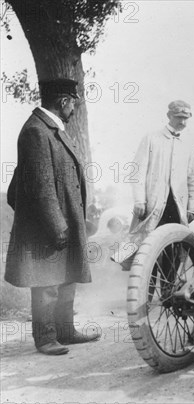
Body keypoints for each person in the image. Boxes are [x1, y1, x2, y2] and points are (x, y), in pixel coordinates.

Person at [5, 78, 100, 355]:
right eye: (73, 104)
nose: (74, 110)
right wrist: (56, 225)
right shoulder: (36, 131)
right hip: (51, 222)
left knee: (66, 275)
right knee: (46, 281)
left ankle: (66, 331)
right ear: (63, 102)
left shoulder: (51, 129)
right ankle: (46, 338)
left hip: (64, 217)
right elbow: (41, 185)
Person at [129, 100, 194, 238]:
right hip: (153, 203)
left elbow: (193, 179)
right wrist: (139, 200)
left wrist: (192, 207)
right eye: (179, 117)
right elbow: (138, 171)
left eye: (186, 118)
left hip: (178, 206)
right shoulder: (151, 138)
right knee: (146, 242)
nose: (183, 122)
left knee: (175, 244)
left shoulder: (188, 144)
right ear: (169, 115)